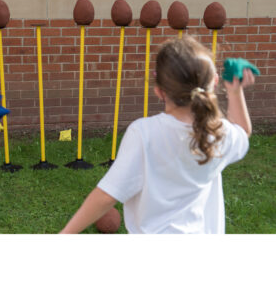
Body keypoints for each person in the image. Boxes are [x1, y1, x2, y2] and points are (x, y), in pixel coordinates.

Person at [60, 36, 255, 234]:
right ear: (214, 82)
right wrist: (235, 91)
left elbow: (107, 196)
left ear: (159, 91)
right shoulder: (219, 132)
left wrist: (64, 235)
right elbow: (242, 131)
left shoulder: (144, 134)